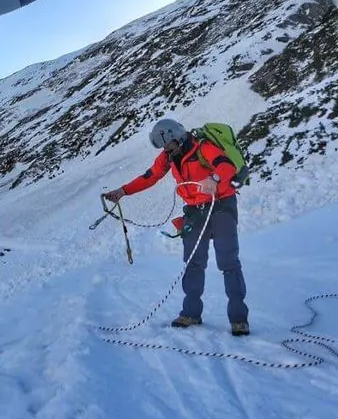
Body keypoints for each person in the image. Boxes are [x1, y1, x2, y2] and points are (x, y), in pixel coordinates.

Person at [103, 118, 250, 336]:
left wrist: (215, 178)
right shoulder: (169, 157)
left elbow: (226, 165)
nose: (165, 149)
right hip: (194, 210)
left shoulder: (203, 147)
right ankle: (191, 314)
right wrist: (123, 191)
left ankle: (239, 320)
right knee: (192, 262)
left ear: (176, 136)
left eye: (166, 144)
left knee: (228, 262)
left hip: (221, 207)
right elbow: (150, 177)